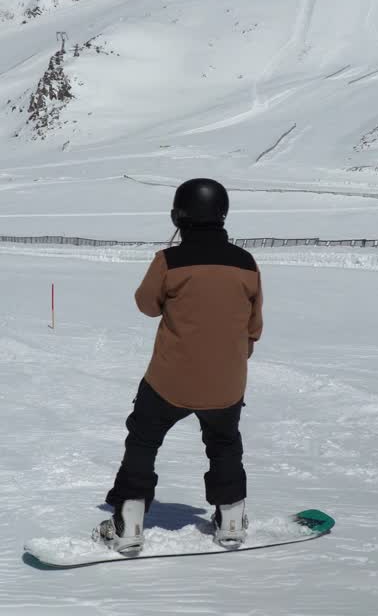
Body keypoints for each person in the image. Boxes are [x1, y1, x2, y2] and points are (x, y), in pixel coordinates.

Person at [94, 178, 263, 554]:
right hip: (227, 383)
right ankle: (231, 518)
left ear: (178, 215)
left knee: (143, 439)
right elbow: (255, 327)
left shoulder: (169, 261)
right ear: (223, 214)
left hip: (169, 379)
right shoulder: (247, 264)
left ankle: (130, 521)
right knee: (224, 444)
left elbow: (146, 304)